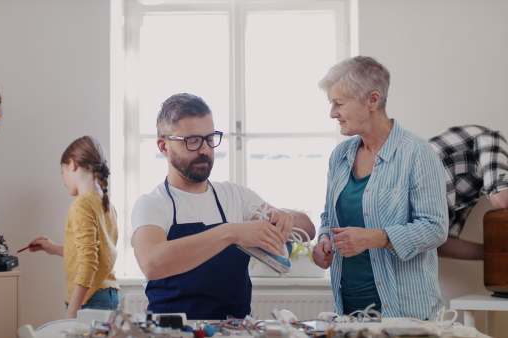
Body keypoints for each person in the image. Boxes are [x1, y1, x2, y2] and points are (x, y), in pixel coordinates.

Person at [131, 93, 315, 320]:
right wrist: (230, 233)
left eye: (210, 139)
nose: (204, 150)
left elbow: (308, 231)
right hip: (171, 332)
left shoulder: (237, 196)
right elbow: (152, 263)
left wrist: (286, 217)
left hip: (235, 330)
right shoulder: (152, 204)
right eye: (193, 141)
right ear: (164, 146)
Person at [312, 56, 448, 320]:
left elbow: (435, 228)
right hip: (348, 310)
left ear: (372, 100)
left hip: (406, 311)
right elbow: (329, 217)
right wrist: (323, 241)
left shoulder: (418, 153)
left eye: (339, 103)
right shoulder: (340, 156)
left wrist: (374, 238)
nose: (332, 113)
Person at [27, 136, 120, 319]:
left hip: (90, 298)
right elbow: (97, 253)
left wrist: (73, 310)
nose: (63, 181)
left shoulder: (81, 205)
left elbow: (88, 262)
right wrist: (53, 248)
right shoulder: (106, 204)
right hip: (109, 294)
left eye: (62, 172)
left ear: (72, 164)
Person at [429, 125, 508, 260]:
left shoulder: (469, 186)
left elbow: (439, 244)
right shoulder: (492, 138)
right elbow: (502, 200)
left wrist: (496, 253)